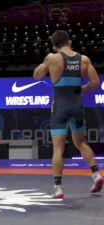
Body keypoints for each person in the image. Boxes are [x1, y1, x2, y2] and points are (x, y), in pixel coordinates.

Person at [33, 30, 103, 198]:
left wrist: (46, 65)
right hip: (77, 105)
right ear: (69, 42)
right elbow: (95, 82)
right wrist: (83, 89)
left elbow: (36, 76)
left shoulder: (53, 58)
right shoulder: (84, 59)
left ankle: (58, 188)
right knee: (81, 143)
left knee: (58, 147)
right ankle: (96, 174)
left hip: (60, 106)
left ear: (54, 46)